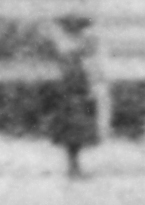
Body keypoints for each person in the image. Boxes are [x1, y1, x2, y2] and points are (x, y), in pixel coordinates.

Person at [40, 14, 104, 182]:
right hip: (70, 89)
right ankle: (73, 166)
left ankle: (75, 165)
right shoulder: (66, 44)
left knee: (79, 130)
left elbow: (91, 61)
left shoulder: (82, 42)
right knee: (71, 130)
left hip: (80, 88)